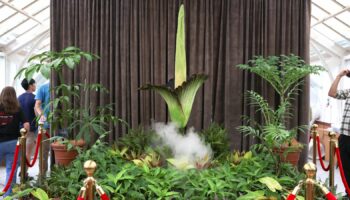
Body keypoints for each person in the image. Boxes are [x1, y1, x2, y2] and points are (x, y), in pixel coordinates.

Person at [0, 87, 29, 197]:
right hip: (13, 144)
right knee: (10, 171)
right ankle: (7, 196)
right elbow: (26, 125)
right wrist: (24, 135)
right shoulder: (17, 108)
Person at [328, 69, 350, 199]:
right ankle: (349, 193)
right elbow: (332, 93)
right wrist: (339, 76)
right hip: (345, 137)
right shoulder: (349, 92)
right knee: (346, 168)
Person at [18, 79, 37, 177]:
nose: (35, 86)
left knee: (21, 152)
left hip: (20, 130)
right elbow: (37, 114)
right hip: (31, 129)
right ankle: (24, 173)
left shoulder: (19, 98)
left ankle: (22, 171)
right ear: (30, 85)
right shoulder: (35, 98)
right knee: (28, 153)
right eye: (34, 84)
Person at [34, 82, 50, 175]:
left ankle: (59, 175)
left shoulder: (65, 85)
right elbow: (37, 104)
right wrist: (41, 115)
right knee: (43, 151)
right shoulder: (43, 88)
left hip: (61, 125)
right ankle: (42, 175)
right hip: (45, 126)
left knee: (60, 150)